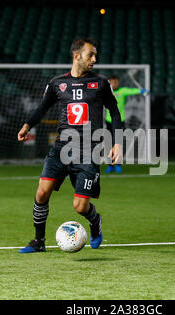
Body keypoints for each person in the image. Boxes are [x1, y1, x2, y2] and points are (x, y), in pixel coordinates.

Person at [17, 38, 122, 252]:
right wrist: (28, 125)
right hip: (62, 148)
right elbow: (42, 108)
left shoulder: (101, 83)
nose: (94, 59)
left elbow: (115, 112)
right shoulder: (57, 83)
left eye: (95, 55)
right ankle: (38, 241)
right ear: (76, 56)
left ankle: (95, 221)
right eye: (90, 55)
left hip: (89, 151)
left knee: (80, 206)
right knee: (42, 192)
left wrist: (117, 142)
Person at [105, 75, 148, 173]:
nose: (114, 84)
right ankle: (110, 165)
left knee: (118, 143)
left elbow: (132, 91)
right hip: (109, 121)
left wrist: (142, 91)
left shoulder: (122, 91)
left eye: (116, 82)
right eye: (112, 82)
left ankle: (117, 164)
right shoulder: (106, 92)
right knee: (109, 144)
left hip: (120, 121)